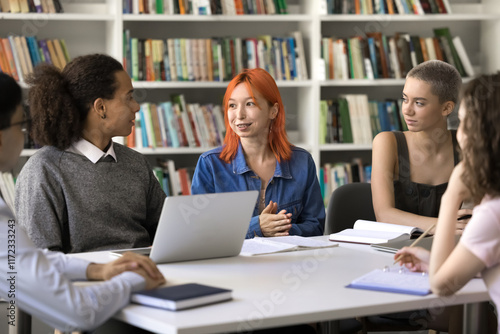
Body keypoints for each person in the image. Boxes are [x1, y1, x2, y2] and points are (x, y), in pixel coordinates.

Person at [0, 72, 166, 332]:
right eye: (21, 125)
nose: (26, 135)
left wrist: (99, 270)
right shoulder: (43, 168)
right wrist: (132, 278)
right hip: (95, 306)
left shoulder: (134, 161)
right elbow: (76, 309)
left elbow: (29, 259)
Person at [15, 54, 166, 253]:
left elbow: (167, 231)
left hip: (145, 274)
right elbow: (39, 260)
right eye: (129, 97)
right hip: (83, 281)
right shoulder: (43, 170)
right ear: (100, 107)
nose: (136, 106)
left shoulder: (136, 162)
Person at [395, 72, 500, 333]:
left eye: (464, 123)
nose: (459, 133)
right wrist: (435, 262)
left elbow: (441, 286)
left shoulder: (492, 213)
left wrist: (452, 194)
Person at [191, 68, 325, 238]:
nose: (239, 115)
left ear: (273, 111)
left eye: (250, 104)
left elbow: (316, 226)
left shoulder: (302, 161)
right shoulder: (210, 164)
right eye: (232, 105)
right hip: (233, 263)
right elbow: (201, 232)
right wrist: (257, 227)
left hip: (287, 260)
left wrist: (277, 228)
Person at [371, 60, 472, 232]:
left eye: (419, 103)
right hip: (396, 252)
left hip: (452, 248)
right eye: (405, 99)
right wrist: (443, 225)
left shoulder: (466, 145)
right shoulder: (387, 142)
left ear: (447, 108)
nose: (406, 110)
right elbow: (384, 215)